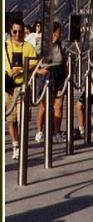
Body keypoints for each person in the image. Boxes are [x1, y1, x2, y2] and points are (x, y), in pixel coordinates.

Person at [5, 21, 39, 159]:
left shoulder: (29, 47)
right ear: (11, 31)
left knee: (22, 119)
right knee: (11, 119)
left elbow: (34, 64)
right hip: (8, 87)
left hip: (22, 87)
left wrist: (21, 70)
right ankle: (15, 146)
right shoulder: (5, 46)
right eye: (15, 31)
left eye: (20, 31)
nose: (17, 34)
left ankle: (22, 145)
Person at [34, 22, 68, 144]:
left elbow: (64, 62)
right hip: (47, 73)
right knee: (44, 105)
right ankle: (39, 131)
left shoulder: (61, 46)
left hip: (59, 74)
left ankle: (56, 131)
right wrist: (38, 71)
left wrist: (67, 76)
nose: (60, 34)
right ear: (53, 32)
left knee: (59, 104)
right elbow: (33, 60)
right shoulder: (42, 45)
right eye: (58, 32)